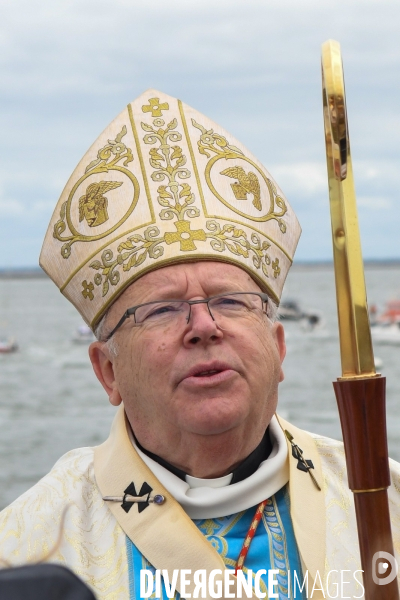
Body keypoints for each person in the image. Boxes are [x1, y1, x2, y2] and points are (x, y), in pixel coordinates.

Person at [0, 89, 399, 600]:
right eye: (162, 309)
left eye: (231, 302)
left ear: (278, 347)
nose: (204, 325)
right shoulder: (32, 546)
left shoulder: (380, 501)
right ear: (108, 372)